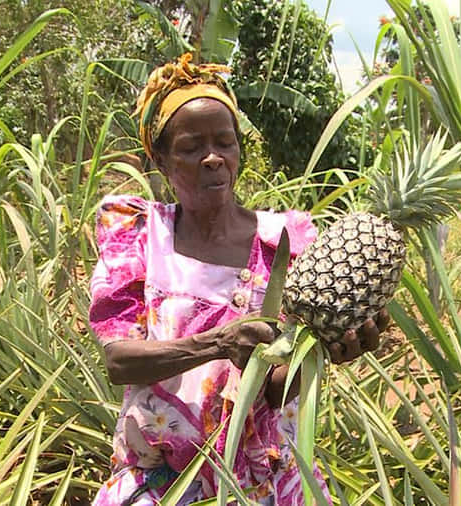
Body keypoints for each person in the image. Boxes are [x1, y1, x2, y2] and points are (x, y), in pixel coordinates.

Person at [89, 54, 388, 505]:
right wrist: (217, 343)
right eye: (192, 147)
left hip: (258, 486)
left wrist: (322, 353)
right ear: (162, 161)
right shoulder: (138, 232)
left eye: (225, 143)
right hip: (162, 483)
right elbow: (120, 361)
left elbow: (272, 389)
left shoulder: (283, 243)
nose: (213, 158)